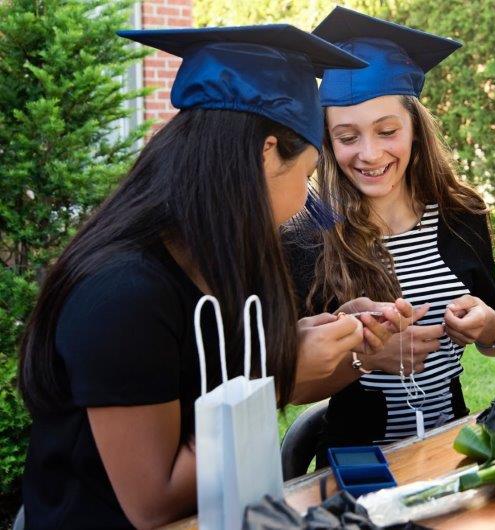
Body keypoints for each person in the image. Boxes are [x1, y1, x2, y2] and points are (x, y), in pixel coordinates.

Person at [16, 25, 411, 529]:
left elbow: (212, 379)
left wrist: (329, 337)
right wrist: (278, 377)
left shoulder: (211, 260)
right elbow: (153, 502)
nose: (304, 204)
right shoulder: (121, 293)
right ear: (266, 154)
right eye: (306, 175)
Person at [285, 7, 495, 459]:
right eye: (347, 137)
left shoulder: (461, 214)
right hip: (358, 460)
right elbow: (290, 386)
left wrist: (488, 327)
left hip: (454, 445)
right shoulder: (308, 237)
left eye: (387, 130)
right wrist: (364, 359)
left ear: (415, 129)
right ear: (327, 142)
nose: (369, 154)